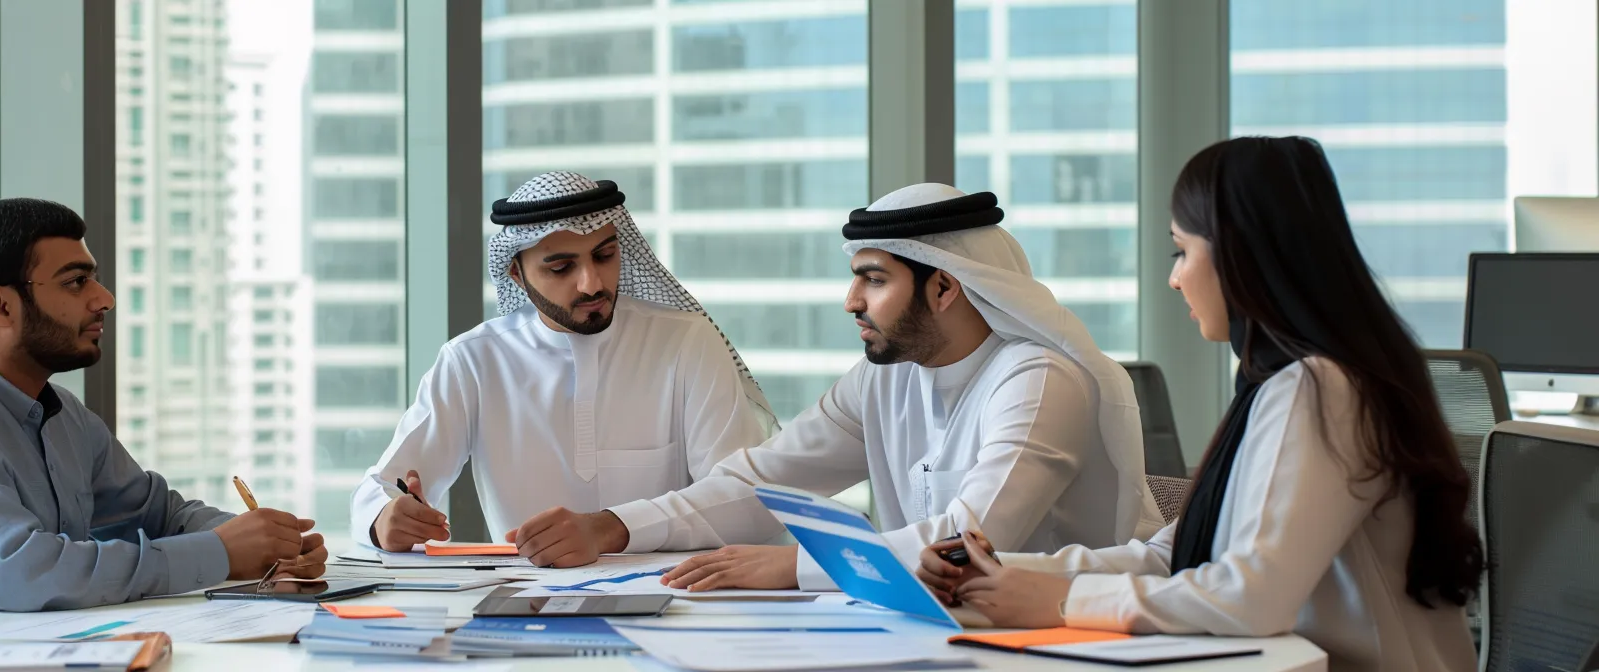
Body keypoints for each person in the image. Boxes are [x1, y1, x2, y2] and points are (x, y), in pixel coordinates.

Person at [917, 137, 1481, 672]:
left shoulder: (1318, 388)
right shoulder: (1281, 383)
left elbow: (1249, 597)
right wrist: (995, 573)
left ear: (1241, 255)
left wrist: (1064, 602)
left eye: (1182, 251)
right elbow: (1178, 554)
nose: (1174, 278)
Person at [574, 183, 1164, 592]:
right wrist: (616, 526)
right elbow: (760, 481)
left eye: (873, 280)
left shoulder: (1037, 379)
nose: (852, 302)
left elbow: (968, 544)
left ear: (944, 288)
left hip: (1060, 636)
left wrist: (795, 568)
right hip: (940, 623)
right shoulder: (885, 379)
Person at [0, 198, 326, 635]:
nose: (104, 300)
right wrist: (219, 553)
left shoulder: (59, 412)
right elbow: (22, 574)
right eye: (76, 282)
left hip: (31, 644)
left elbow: (159, 515)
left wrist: (261, 541)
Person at [352, 171, 775, 568]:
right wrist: (385, 519)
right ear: (516, 273)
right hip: (526, 602)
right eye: (561, 267)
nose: (591, 283)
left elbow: (742, 501)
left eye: (605, 256)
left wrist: (610, 529)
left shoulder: (686, 342)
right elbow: (381, 488)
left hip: (678, 597)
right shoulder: (474, 361)